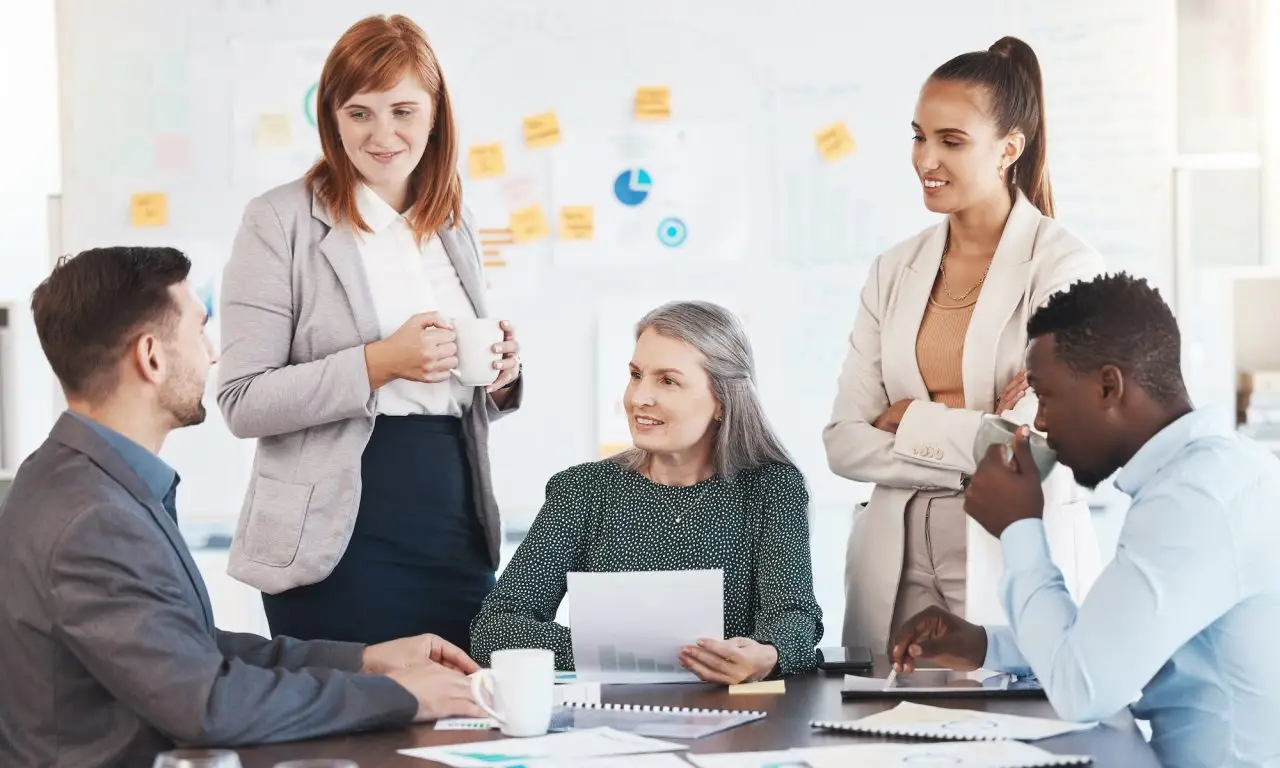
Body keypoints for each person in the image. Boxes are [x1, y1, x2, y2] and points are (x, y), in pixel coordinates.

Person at [0, 247, 487, 768]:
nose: (213, 355)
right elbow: (207, 704)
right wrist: (407, 698)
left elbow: (189, 649)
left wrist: (365, 662)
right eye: (200, 331)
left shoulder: (72, 478)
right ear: (152, 357)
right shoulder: (94, 518)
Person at [218, 14, 522, 650]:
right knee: (358, 734)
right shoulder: (279, 221)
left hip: (452, 514)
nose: (383, 134)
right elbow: (243, 401)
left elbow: (452, 391)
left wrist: (499, 376)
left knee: (460, 723)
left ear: (435, 114)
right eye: (360, 113)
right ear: (332, 118)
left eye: (404, 111)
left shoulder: (453, 219)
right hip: (335, 532)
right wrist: (378, 363)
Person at [890, 273, 1280, 768]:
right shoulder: (1208, 473)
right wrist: (985, 645)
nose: (1043, 423)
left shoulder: (1193, 499)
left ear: (1108, 387)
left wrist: (1018, 527)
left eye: (1046, 396)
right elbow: (1111, 641)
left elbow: (1083, 686)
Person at [822, 36, 1104, 653]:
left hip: (1007, 553)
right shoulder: (892, 270)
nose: (927, 157)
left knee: (1008, 736)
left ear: (1009, 149)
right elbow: (844, 441)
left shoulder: (1064, 269)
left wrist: (908, 421)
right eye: (919, 135)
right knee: (881, 737)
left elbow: (1035, 452)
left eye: (952, 141)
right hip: (892, 565)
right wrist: (978, 430)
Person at [470, 301, 822, 683]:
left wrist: (768, 656)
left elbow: (794, 618)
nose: (639, 398)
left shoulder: (771, 488)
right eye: (636, 375)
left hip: (733, 719)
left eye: (667, 381)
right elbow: (494, 630)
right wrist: (609, 651)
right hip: (607, 720)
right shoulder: (583, 491)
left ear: (722, 401)